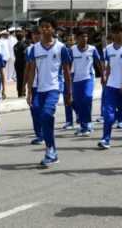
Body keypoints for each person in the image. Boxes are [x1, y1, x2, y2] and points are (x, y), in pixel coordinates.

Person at [24, 16, 73, 166]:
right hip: (39, 90)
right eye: (42, 26)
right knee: (43, 118)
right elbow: (32, 70)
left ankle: (50, 149)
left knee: (46, 115)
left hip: (54, 88)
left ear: (53, 29)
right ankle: (51, 151)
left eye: (47, 26)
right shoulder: (34, 49)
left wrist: (69, 92)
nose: (44, 29)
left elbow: (67, 72)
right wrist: (29, 90)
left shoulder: (61, 47)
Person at [100, 22, 122, 149]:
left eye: (118, 32)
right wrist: (105, 77)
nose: (116, 35)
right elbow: (109, 66)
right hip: (111, 85)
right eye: (114, 32)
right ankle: (105, 139)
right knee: (108, 113)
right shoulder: (108, 49)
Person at [69, 26, 103, 138]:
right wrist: (68, 77)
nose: (84, 38)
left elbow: (98, 63)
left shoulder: (92, 49)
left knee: (87, 98)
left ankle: (87, 123)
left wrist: (103, 76)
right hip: (76, 80)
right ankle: (83, 125)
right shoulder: (72, 50)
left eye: (86, 36)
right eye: (82, 37)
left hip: (88, 78)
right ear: (77, 38)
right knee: (78, 103)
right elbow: (68, 64)